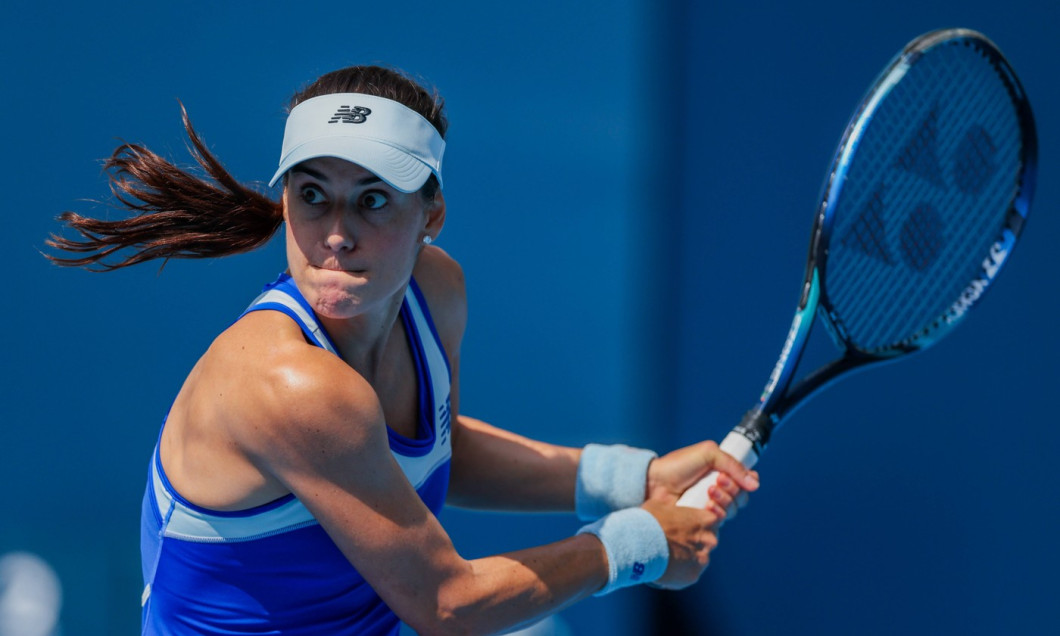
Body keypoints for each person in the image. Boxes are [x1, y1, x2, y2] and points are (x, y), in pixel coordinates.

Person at [47, 65, 760, 636]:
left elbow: (429, 451)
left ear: (432, 213)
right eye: (313, 194)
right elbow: (449, 604)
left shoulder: (435, 289)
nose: (336, 233)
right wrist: (636, 545)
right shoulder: (290, 385)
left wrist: (627, 480)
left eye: (375, 199)